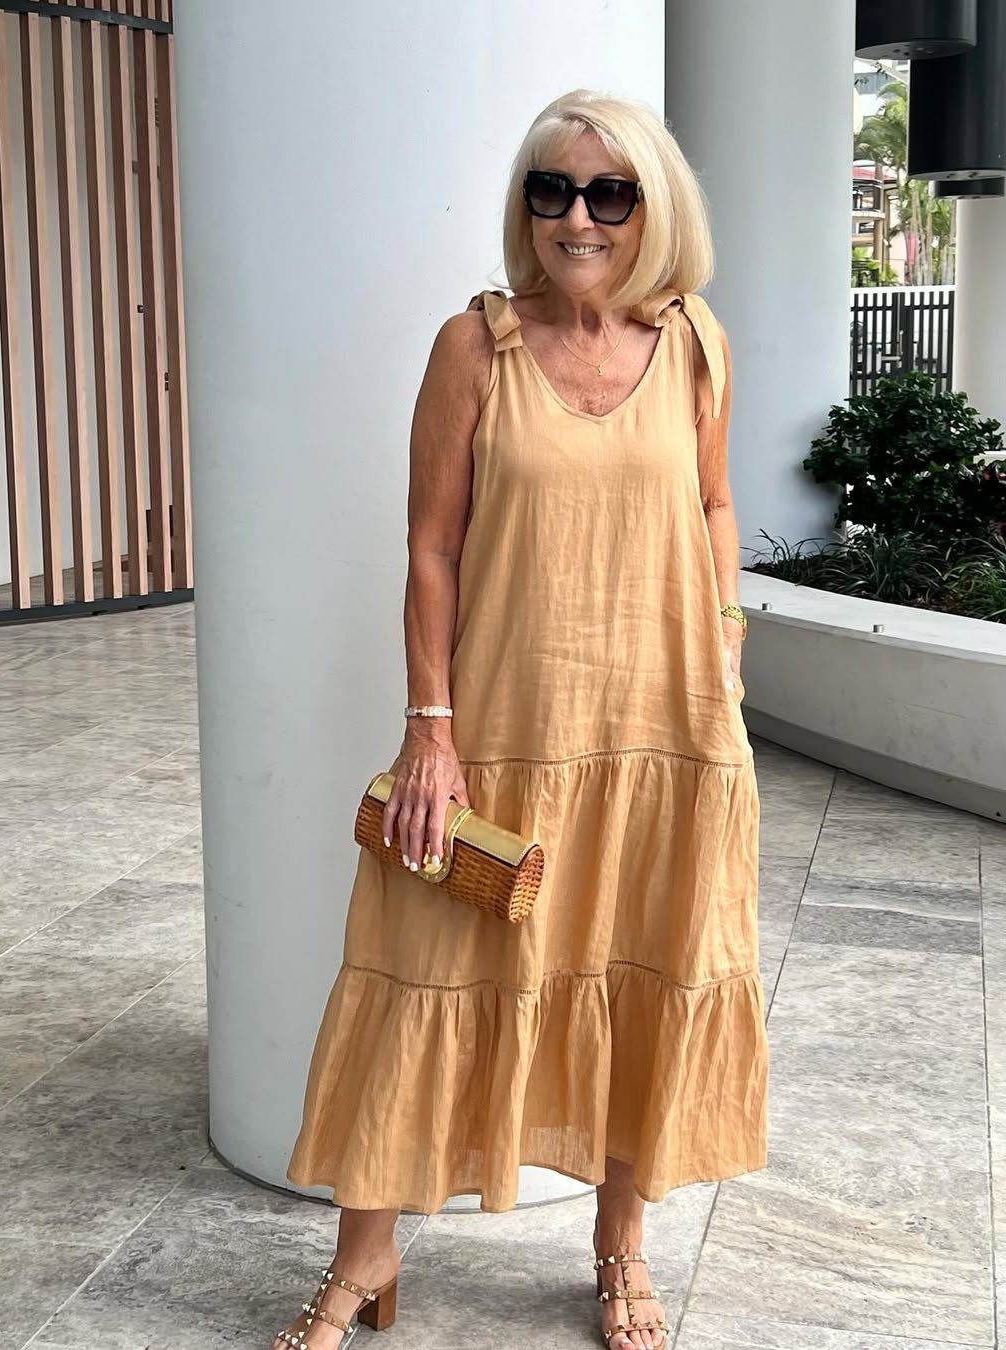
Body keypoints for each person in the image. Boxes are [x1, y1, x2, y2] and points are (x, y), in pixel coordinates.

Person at [276, 86, 769, 1350]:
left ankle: (620, 1251)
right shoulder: (476, 347)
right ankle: (364, 1262)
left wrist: (724, 629)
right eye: (553, 189)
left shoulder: (695, 343)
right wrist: (429, 727)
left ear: (654, 207)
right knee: (419, 984)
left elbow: (716, 504)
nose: (578, 217)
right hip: (500, 732)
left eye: (609, 192)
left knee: (642, 972)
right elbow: (430, 548)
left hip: (665, 733)